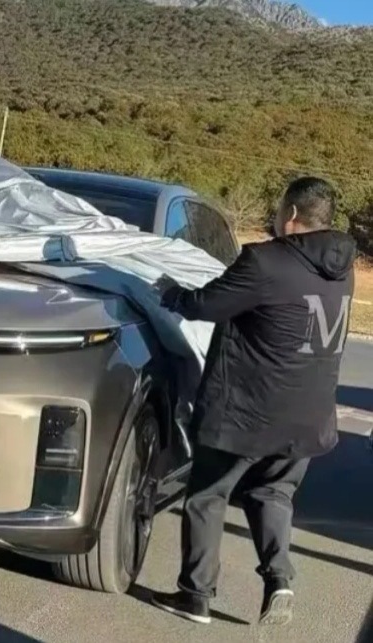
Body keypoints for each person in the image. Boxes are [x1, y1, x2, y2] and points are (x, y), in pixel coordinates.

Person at [150, 177, 355, 626]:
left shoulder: (265, 261)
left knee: (208, 495)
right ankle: (279, 579)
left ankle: (195, 595)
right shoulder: (343, 269)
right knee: (273, 492)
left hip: (247, 412)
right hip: (309, 416)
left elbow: (206, 305)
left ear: (291, 215)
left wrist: (170, 293)